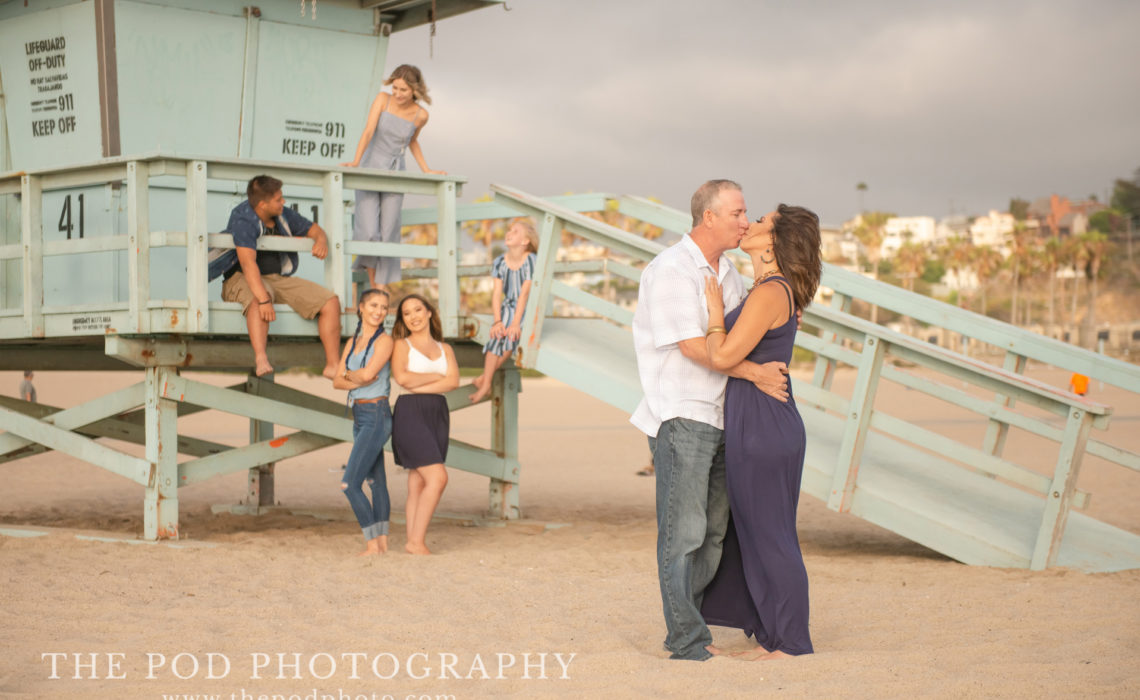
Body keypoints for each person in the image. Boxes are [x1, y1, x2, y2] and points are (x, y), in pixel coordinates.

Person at [630, 179, 791, 662]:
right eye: (739, 213)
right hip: (682, 416)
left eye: (747, 214)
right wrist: (757, 374)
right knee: (684, 534)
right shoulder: (671, 270)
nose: (746, 221)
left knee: (714, 534)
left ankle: (689, 626)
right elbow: (695, 347)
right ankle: (685, 641)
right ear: (710, 218)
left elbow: (733, 340)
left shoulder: (731, 276)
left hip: (724, 419)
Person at [700, 204, 823, 660]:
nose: (751, 223)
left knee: (772, 537)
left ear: (774, 242)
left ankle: (791, 643)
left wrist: (715, 314)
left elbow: (722, 355)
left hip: (765, 428)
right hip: (759, 422)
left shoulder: (771, 292)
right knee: (754, 532)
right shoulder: (767, 290)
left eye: (764, 221)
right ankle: (772, 636)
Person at [209, 175, 341, 379]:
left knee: (330, 302)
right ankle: (261, 357)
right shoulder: (243, 218)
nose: (283, 202)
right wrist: (263, 299)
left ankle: (333, 365)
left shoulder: (282, 214)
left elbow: (315, 230)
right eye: (279, 199)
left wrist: (321, 241)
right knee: (257, 299)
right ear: (262, 204)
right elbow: (247, 263)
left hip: (276, 278)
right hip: (241, 277)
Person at [342, 65, 446, 292]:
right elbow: (368, 131)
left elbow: (412, 141)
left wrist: (427, 170)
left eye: (403, 90)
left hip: (396, 170)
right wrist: (355, 162)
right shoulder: (382, 99)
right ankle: (375, 287)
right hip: (370, 167)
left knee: (389, 232)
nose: (398, 94)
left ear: (415, 91)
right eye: (395, 88)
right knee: (369, 231)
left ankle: (380, 286)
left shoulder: (421, 115)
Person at [389, 294, 459, 555]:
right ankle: (416, 542)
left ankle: (412, 542)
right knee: (438, 477)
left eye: (418, 310)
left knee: (418, 481)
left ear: (429, 312)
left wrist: (422, 381)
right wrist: (436, 375)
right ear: (403, 320)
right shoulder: (401, 345)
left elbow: (453, 382)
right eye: (407, 313)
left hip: (437, 413)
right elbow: (402, 378)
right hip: (410, 413)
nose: (413, 316)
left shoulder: (446, 349)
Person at [332, 289, 395, 556]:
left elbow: (369, 376)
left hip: (377, 414)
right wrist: (349, 375)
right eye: (373, 305)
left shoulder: (385, 341)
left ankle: (371, 543)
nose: (378, 311)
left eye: (383, 307)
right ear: (361, 307)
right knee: (376, 482)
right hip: (358, 414)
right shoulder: (352, 341)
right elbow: (336, 382)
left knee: (349, 483)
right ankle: (381, 544)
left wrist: (347, 373)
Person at [469, 218, 538, 403]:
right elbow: (496, 294)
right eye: (509, 230)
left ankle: (485, 381)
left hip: (527, 307)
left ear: (525, 242)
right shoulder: (500, 261)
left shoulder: (531, 260)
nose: (509, 233)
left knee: (512, 335)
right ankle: (486, 383)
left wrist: (516, 324)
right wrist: (498, 321)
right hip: (507, 306)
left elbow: (524, 295)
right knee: (498, 334)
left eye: (515, 232)